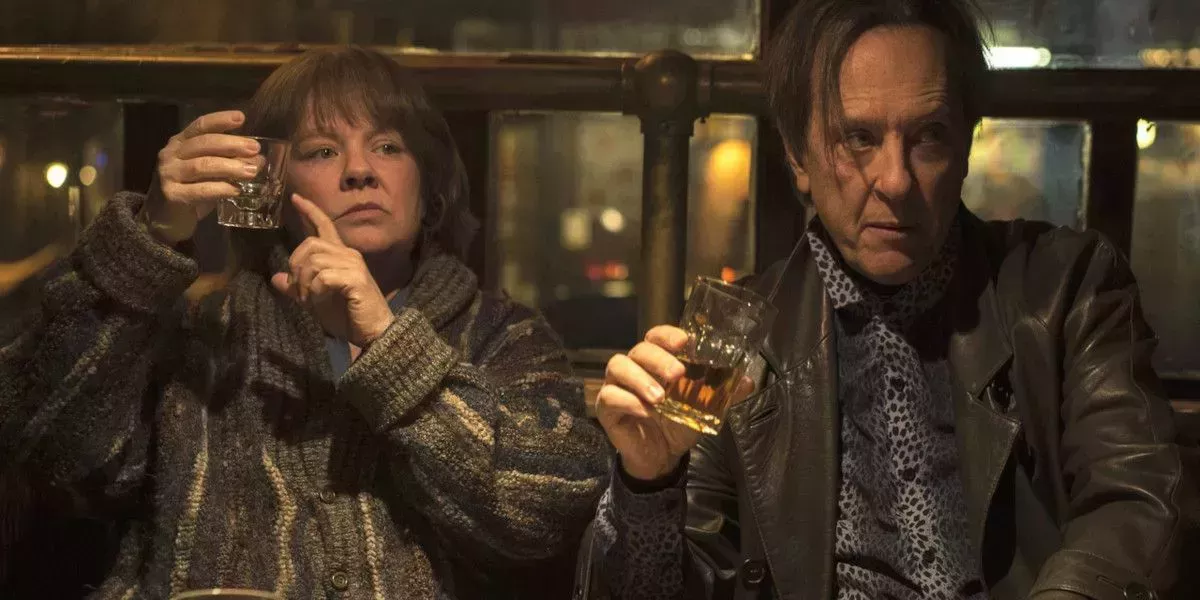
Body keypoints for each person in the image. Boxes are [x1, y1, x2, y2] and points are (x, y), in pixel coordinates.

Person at [586, 1, 1198, 599]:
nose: (897, 180)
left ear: (965, 146)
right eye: (858, 137)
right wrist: (648, 483)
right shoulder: (741, 340)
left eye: (929, 136)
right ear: (798, 156)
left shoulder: (1066, 288)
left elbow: (1136, 500)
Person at [0, 46, 608, 599]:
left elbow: (543, 518)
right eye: (322, 151)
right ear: (270, 186)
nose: (359, 171)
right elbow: (59, 462)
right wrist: (146, 242)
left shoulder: (503, 336)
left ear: (429, 189)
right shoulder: (206, 333)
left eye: (388, 147)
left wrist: (386, 343)